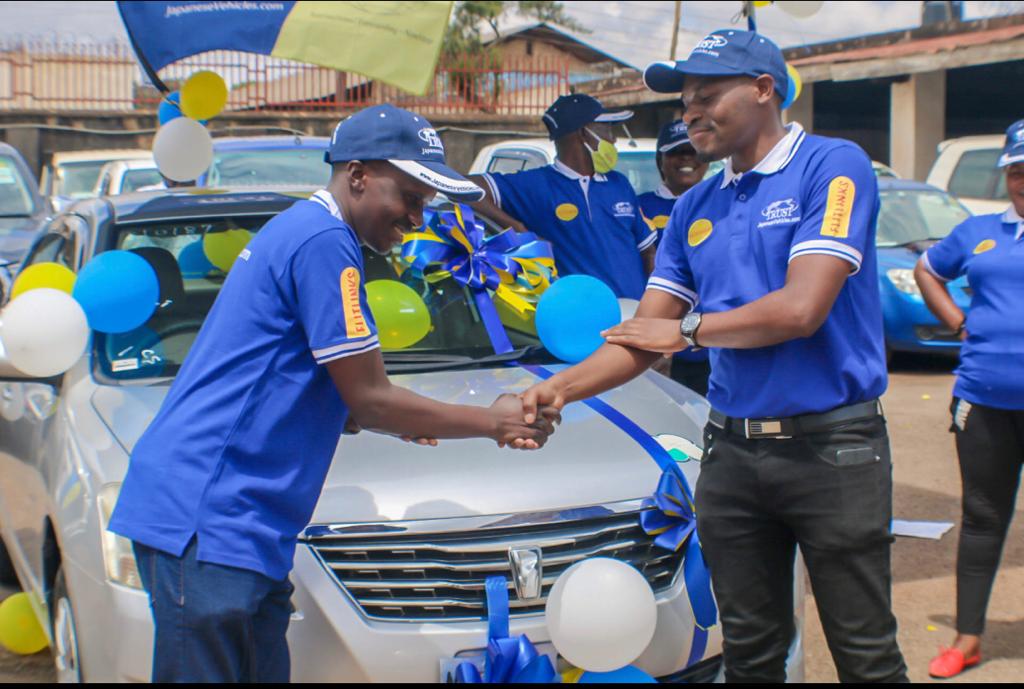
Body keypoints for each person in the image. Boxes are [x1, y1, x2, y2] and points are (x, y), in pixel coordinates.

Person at [108, 104, 560, 683]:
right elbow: (369, 396)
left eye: (425, 202)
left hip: (239, 521)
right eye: (410, 195)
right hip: (209, 517)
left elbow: (323, 389)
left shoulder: (308, 229)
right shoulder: (324, 240)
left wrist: (387, 415)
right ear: (357, 175)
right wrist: (494, 422)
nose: (416, 217)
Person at [518, 30, 909, 683]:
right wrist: (558, 390)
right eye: (683, 101)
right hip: (732, 458)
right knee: (750, 656)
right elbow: (646, 333)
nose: (689, 112)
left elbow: (801, 307)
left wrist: (692, 332)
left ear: (764, 90)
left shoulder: (833, 166)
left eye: (706, 95)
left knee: (864, 654)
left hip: (832, 451)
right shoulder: (695, 206)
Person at [914, 118, 1024, 679]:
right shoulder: (979, 231)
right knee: (983, 516)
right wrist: (958, 320)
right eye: (1017, 169)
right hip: (982, 399)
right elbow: (927, 269)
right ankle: (968, 637)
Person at [469, 94, 657, 299]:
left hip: (634, 315)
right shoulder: (537, 185)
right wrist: (516, 228)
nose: (613, 139)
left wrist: (652, 305)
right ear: (583, 133)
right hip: (579, 317)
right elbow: (461, 186)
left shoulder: (619, 184)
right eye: (607, 130)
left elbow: (648, 251)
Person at [637, 120, 712, 395]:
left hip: (716, 337)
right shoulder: (640, 207)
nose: (686, 158)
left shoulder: (721, 204)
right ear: (661, 159)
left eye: (693, 151)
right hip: (663, 340)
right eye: (677, 151)